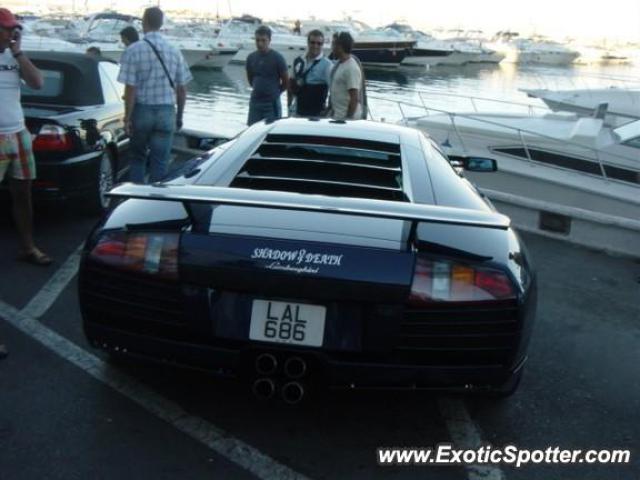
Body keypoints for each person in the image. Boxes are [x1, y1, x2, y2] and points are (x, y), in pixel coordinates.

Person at [117, 7, 192, 184]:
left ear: (144, 22)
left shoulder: (133, 50)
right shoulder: (175, 51)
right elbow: (181, 90)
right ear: (161, 23)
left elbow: (130, 89)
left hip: (142, 111)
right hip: (166, 112)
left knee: (137, 158)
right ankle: (155, 201)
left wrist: (127, 118)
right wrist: (179, 117)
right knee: (160, 162)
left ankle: (135, 199)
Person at [0, 8, 51, 266]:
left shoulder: (14, 56)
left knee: (23, 193)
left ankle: (27, 247)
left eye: (13, 28)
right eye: (8, 28)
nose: (12, 32)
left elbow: (38, 83)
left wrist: (18, 52)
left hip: (18, 133)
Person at [246, 26, 288, 126]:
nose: (260, 43)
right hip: (255, 102)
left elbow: (286, 82)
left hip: (271, 103)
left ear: (269, 40)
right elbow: (250, 79)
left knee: (272, 131)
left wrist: (276, 92)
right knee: (251, 130)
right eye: (257, 40)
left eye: (263, 40)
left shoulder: (278, 58)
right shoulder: (251, 57)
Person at [287, 29, 332, 117]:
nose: (315, 46)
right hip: (297, 112)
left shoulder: (327, 65)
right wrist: (289, 105)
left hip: (317, 115)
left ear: (322, 45)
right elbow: (290, 84)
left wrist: (328, 110)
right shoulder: (298, 61)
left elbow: (334, 91)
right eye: (312, 42)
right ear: (308, 43)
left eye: (319, 43)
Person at [328, 32, 366, 120]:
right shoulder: (340, 64)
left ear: (340, 47)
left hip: (345, 120)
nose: (331, 48)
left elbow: (354, 98)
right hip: (337, 117)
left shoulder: (351, 68)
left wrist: (347, 119)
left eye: (333, 44)